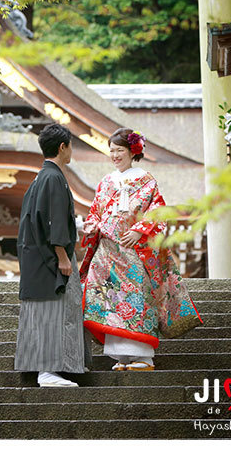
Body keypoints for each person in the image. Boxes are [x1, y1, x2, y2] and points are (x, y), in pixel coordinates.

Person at [80, 128, 201, 371]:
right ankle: (122, 357)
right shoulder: (106, 182)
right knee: (109, 300)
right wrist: (91, 225)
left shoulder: (146, 180)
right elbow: (96, 211)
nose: (114, 155)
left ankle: (143, 356)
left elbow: (158, 212)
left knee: (136, 297)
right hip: (107, 251)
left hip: (134, 250)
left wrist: (139, 231)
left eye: (119, 150)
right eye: (111, 151)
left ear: (133, 151)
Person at [15, 124, 91, 387]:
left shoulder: (41, 177)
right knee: (55, 311)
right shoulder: (54, 178)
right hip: (51, 260)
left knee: (45, 312)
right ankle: (48, 371)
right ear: (62, 147)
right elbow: (54, 220)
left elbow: (42, 218)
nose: (72, 150)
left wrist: (77, 226)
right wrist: (62, 256)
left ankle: (48, 369)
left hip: (36, 258)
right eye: (70, 145)